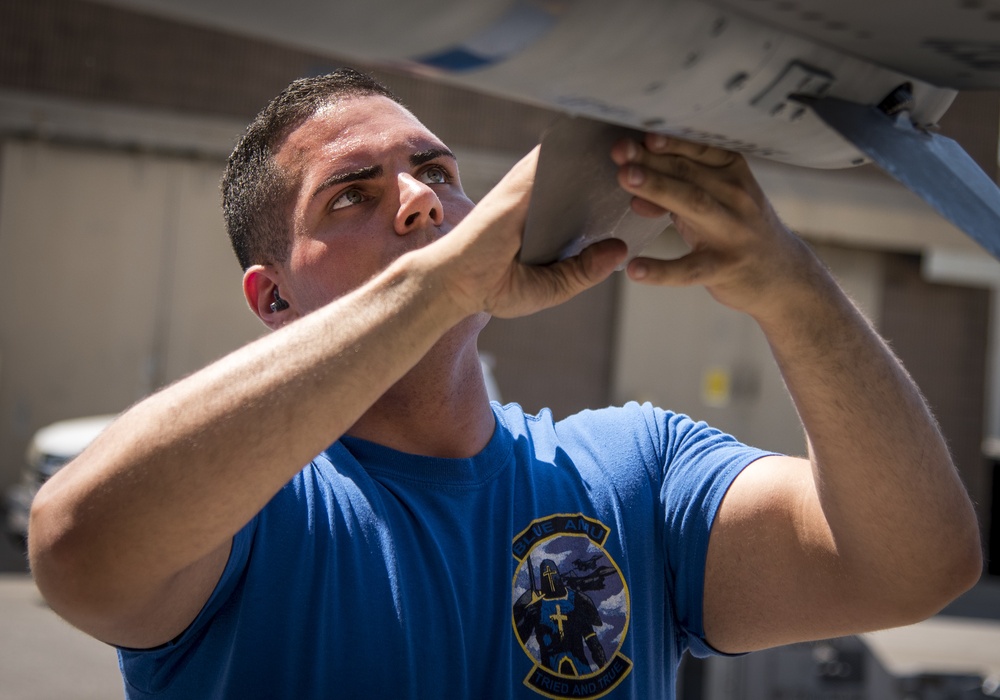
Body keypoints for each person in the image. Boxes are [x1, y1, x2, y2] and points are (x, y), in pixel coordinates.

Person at [28, 68, 981, 699]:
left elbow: (914, 567)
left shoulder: (634, 470)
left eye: (437, 171)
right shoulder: (251, 503)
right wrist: (437, 284)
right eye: (352, 194)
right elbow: (79, 547)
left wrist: (793, 288)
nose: (420, 200)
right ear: (272, 295)